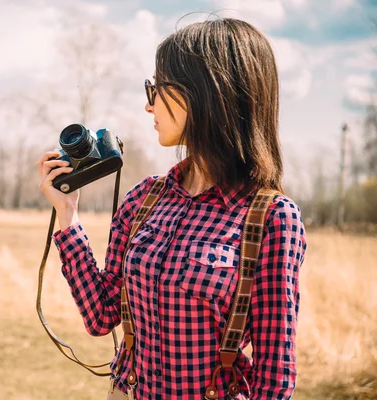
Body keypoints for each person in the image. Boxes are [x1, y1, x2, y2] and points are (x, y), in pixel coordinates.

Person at [36, 18, 307, 400]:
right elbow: (100, 317)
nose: (148, 105)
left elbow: (274, 379)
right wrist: (67, 214)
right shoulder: (144, 199)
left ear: (204, 93)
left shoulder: (272, 219)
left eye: (156, 89)